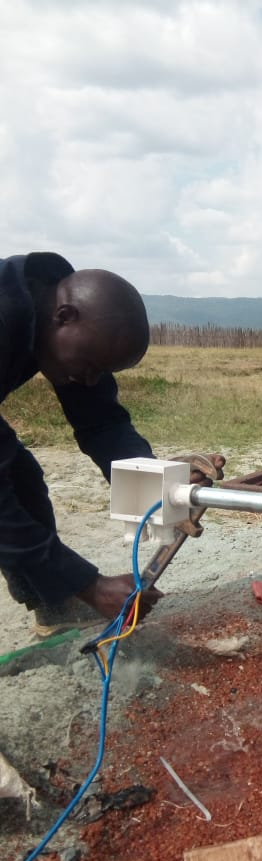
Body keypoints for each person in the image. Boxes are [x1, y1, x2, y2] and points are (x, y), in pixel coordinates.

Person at [0, 252, 224, 638]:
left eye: (101, 372)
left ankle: (54, 605)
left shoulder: (60, 321)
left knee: (23, 479)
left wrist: (158, 488)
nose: (90, 382)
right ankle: (64, 594)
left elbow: (101, 423)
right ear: (65, 316)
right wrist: (90, 585)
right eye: (90, 366)